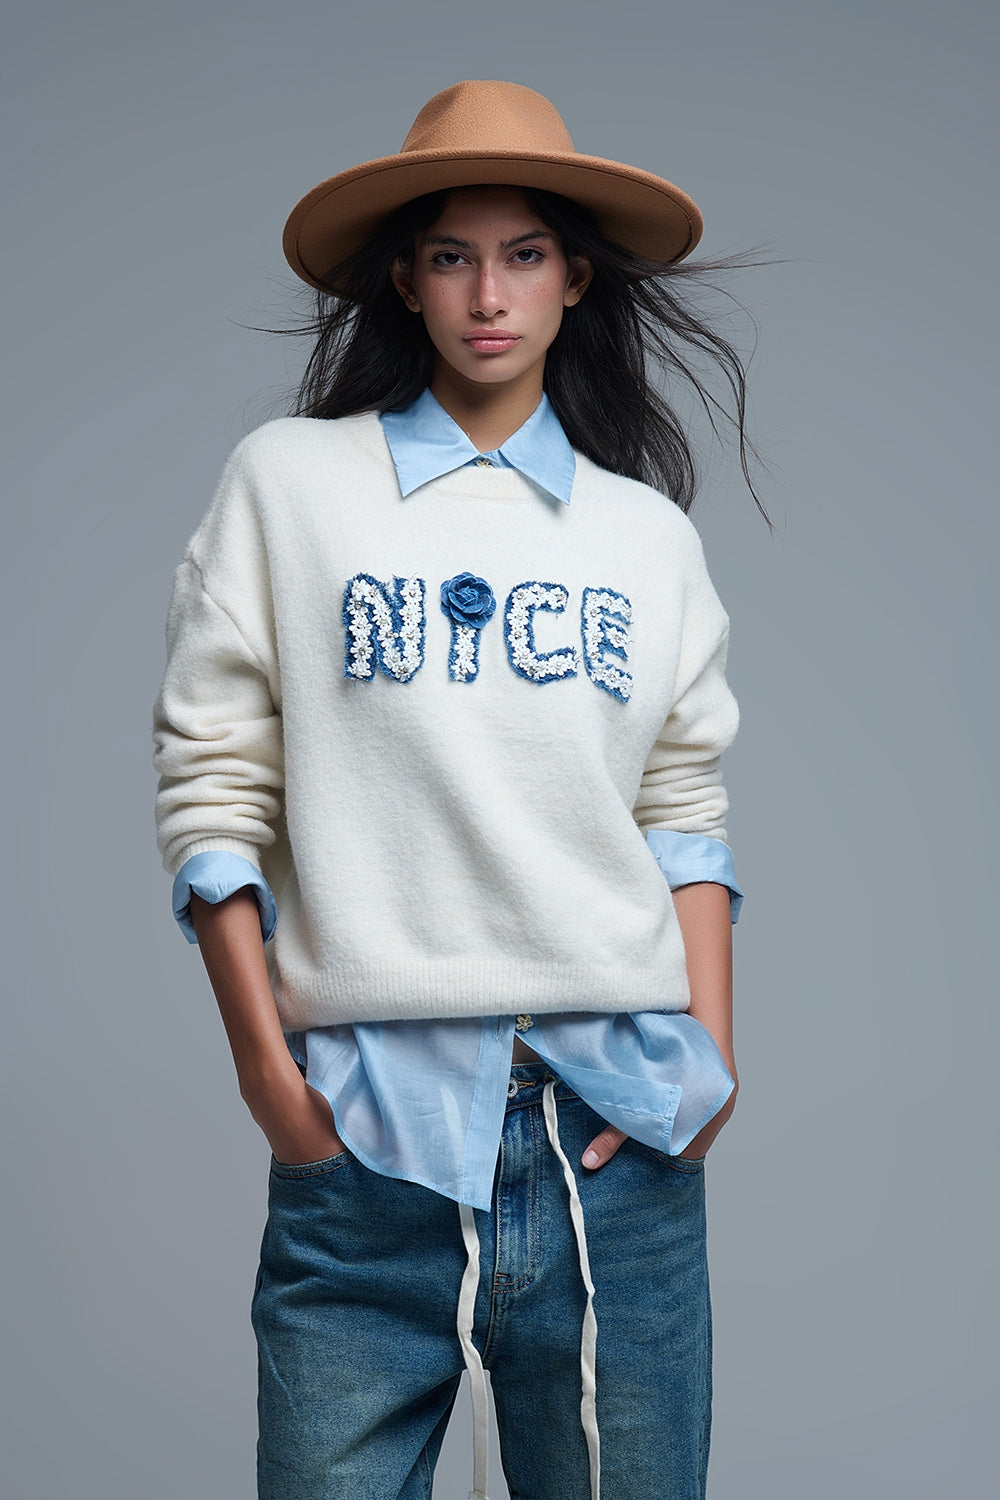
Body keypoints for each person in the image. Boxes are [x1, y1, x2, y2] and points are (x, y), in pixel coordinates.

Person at [152, 79, 766, 1500]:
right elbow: (213, 786)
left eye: (525, 255)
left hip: (611, 1130)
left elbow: (684, 806)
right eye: (451, 256)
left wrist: (712, 1063)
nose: (489, 296)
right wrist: (267, 1078)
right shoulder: (290, 486)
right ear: (405, 280)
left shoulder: (644, 535)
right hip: (365, 1134)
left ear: (575, 280)